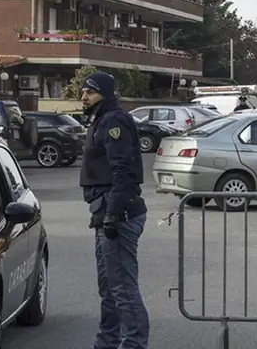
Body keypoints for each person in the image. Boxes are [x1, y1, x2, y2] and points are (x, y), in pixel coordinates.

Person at [79, 71, 149, 349]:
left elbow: (124, 170)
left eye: (90, 92)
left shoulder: (114, 121)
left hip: (119, 214)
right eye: (83, 91)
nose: (84, 96)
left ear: (105, 95)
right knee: (109, 289)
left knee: (123, 291)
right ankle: (106, 343)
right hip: (104, 212)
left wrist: (113, 213)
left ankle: (133, 345)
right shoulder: (99, 120)